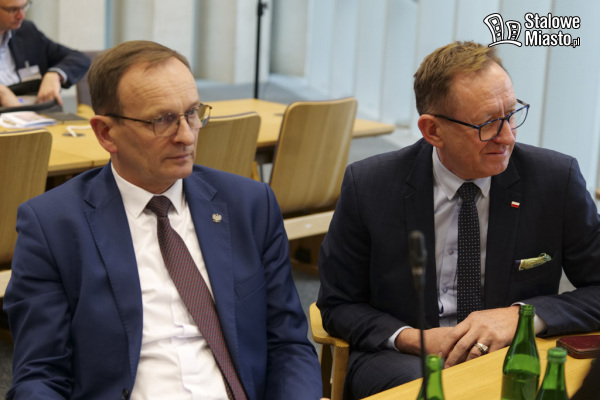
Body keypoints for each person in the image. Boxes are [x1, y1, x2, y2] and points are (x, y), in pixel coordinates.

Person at [3, 40, 322, 400]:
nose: (186, 136)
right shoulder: (53, 226)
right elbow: (40, 375)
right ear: (106, 133)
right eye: (162, 120)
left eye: (192, 113)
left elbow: (288, 345)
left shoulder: (249, 205)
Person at [317, 41, 600, 399]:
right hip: (402, 359)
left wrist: (520, 316)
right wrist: (414, 339)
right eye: (488, 124)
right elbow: (338, 304)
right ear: (433, 130)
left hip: (510, 353)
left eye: (511, 114)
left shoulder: (554, 180)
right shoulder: (370, 185)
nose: (508, 137)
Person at [0, 0, 90, 107]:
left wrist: (55, 74)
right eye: (13, 10)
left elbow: (79, 58)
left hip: (38, 111)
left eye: (24, 7)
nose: (21, 16)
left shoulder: (26, 31)